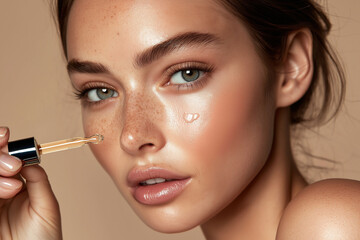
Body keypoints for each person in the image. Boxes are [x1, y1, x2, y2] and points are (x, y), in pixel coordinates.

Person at [0, 0, 358, 239]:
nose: (131, 135)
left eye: (186, 73)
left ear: (290, 67)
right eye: (100, 91)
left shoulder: (332, 223)